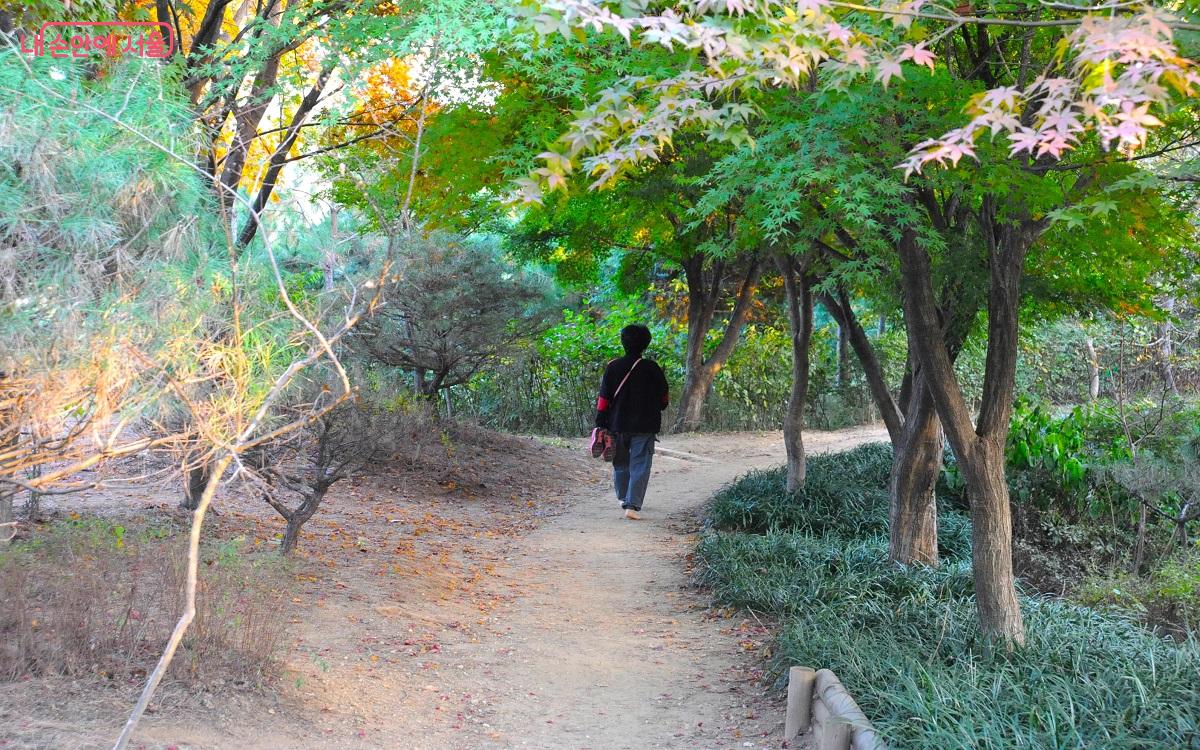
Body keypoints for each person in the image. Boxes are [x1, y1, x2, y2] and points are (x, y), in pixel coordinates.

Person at [594, 324, 669, 520]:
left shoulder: (613, 367)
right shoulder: (652, 368)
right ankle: (632, 505)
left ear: (623, 342)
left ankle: (622, 497)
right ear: (646, 344)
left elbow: (603, 399)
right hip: (645, 425)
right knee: (640, 464)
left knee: (620, 462)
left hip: (617, 424)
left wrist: (600, 422)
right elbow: (664, 399)